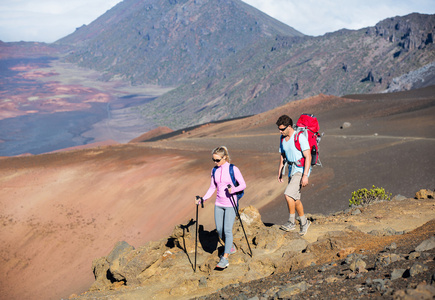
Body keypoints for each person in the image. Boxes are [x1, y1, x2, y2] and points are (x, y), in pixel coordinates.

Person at [195, 146, 246, 269]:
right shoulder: (214, 170)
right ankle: (231, 247)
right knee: (220, 230)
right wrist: (203, 198)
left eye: (217, 160)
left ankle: (225, 258)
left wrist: (233, 189)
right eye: (213, 160)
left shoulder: (233, 169)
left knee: (227, 230)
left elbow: (243, 184)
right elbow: (212, 187)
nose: (215, 163)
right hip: (219, 204)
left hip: (230, 204)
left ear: (225, 158)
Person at [276, 115, 311, 236]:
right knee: (295, 199)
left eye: (282, 129)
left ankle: (291, 221)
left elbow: (308, 156)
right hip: (291, 169)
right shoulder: (282, 138)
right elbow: (282, 155)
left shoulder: (299, 137)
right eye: (279, 129)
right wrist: (280, 171)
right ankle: (304, 222)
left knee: (288, 194)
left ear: (289, 126)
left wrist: (305, 175)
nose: (280, 131)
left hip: (300, 169)